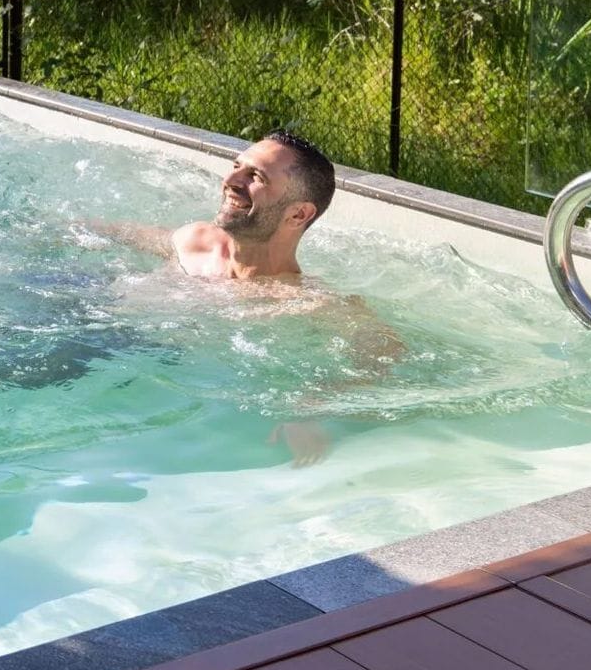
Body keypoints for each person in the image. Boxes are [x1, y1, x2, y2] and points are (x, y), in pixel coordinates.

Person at [83, 131, 406, 466]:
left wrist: (311, 407)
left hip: (135, 372)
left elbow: (385, 346)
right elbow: (117, 233)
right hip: (96, 324)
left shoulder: (302, 300)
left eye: (256, 177)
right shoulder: (197, 241)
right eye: (237, 166)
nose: (231, 181)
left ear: (298, 214)